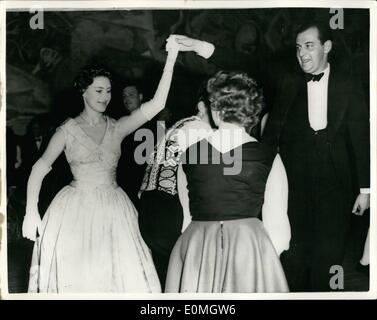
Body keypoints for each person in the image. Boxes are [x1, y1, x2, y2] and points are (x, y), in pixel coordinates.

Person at [21, 35, 183, 293]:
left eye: (108, 91)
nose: (105, 96)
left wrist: (171, 58)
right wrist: (31, 212)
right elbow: (38, 170)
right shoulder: (67, 130)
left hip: (115, 209)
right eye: (98, 90)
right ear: (83, 91)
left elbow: (158, 104)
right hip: (74, 211)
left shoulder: (117, 127)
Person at [262, 22, 370, 291]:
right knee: (296, 257)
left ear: (327, 47)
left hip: (338, 187)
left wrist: (366, 190)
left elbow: (362, 139)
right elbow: (270, 137)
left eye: (309, 46)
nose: (302, 54)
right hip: (295, 187)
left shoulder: (349, 85)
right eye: (299, 48)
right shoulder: (288, 83)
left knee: (329, 257)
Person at [165, 71, 289, 293]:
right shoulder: (268, 156)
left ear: (215, 110)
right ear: (252, 113)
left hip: (198, 246)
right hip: (249, 247)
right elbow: (279, 228)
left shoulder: (189, 154)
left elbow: (186, 219)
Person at [138, 82, 215, 290]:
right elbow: (191, 179)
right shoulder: (201, 130)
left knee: (166, 277)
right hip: (170, 209)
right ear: (201, 106)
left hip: (149, 207)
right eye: (216, 104)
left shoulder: (181, 124)